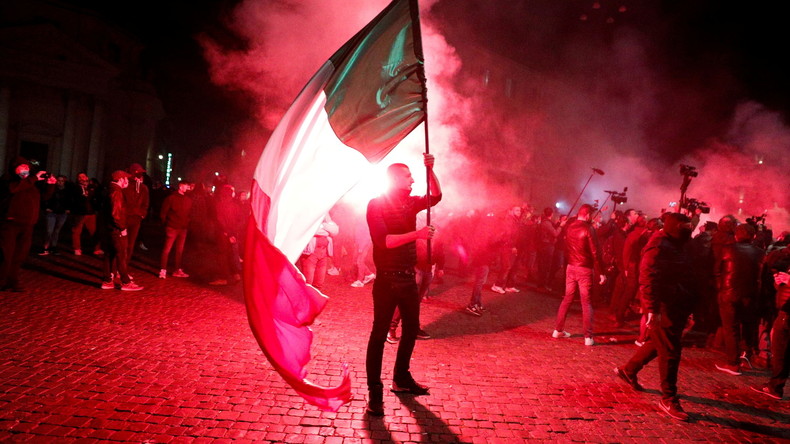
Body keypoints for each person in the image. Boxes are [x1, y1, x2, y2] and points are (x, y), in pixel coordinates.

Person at [364, 154, 441, 416]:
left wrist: (430, 170)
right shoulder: (376, 204)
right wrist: (417, 235)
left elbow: (436, 196)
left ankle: (401, 378)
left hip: (408, 278)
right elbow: (384, 241)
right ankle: (375, 391)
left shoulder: (410, 202)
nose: (413, 179)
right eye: (409, 175)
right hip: (387, 279)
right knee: (378, 335)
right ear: (396, 177)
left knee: (410, 330)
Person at [614, 213, 696, 421]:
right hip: (662, 305)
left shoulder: (676, 243)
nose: (689, 231)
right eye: (685, 227)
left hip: (676, 302)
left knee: (662, 342)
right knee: (670, 349)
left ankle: (629, 370)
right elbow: (647, 276)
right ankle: (668, 397)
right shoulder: (658, 244)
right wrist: (651, 308)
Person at [714, 223, 765, 375]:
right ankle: (746, 357)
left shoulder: (727, 249)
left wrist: (720, 289)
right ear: (753, 236)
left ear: (736, 235)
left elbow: (716, 271)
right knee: (748, 327)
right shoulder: (760, 253)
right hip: (750, 295)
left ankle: (733, 363)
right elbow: (763, 275)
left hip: (728, 294)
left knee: (731, 328)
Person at [552, 204, 604, 346]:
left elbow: (567, 247)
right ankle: (588, 336)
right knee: (586, 302)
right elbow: (595, 253)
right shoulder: (589, 229)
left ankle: (558, 330)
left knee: (567, 298)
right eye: (591, 216)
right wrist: (602, 272)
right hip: (584, 269)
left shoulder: (570, 227)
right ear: (587, 215)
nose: (592, 218)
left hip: (571, 267)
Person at [0, 157, 55, 291]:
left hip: (27, 224)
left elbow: (42, 198)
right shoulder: (8, 180)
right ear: (14, 168)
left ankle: (12, 281)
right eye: (22, 167)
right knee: (6, 255)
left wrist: (50, 185)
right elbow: (14, 189)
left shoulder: (30, 183)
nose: (26, 169)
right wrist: (33, 178)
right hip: (10, 224)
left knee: (20, 255)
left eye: (27, 167)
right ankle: (1, 281)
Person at [750, 251, 790, 399]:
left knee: (780, 352)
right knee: (781, 351)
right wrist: (779, 282)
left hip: (787, 315)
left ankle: (775, 387)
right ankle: (775, 385)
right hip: (784, 311)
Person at [99, 170, 143, 291]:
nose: (128, 181)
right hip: (116, 229)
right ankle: (125, 282)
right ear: (121, 179)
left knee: (110, 254)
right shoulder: (116, 192)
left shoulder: (109, 189)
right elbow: (116, 213)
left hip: (108, 228)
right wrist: (122, 228)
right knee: (121, 254)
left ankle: (107, 280)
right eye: (126, 179)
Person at [159, 181, 193, 279]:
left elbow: (190, 213)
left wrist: (187, 222)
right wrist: (167, 224)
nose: (188, 187)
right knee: (167, 250)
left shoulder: (188, 199)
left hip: (182, 228)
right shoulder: (171, 198)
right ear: (181, 186)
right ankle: (163, 270)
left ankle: (177, 269)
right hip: (172, 227)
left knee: (179, 250)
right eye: (186, 185)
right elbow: (163, 213)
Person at [298, 214, 339, 290]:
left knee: (319, 282)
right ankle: (308, 300)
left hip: (323, 253)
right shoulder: (307, 216)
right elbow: (311, 230)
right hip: (310, 254)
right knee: (308, 282)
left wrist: (322, 226)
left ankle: (315, 299)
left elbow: (335, 230)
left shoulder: (326, 215)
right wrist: (327, 230)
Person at [39, 175, 72, 255]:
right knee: (49, 230)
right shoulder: (53, 189)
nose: (60, 183)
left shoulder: (67, 191)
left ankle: (53, 246)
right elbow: (45, 198)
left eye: (62, 181)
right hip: (52, 212)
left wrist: (68, 209)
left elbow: (70, 200)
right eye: (59, 181)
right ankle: (45, 246)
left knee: (56, 231)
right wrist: (46, 207)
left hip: (62, 213)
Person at [70, 172, 102, 256]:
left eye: (83, 176)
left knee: (93, 231)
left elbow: (96, 197)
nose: (82, 178)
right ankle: (77, 248)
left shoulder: (91, 187)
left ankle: (96, 249)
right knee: (77, 231)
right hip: (80, 213)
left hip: (90, 212)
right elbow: (74, 199)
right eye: (80, 177)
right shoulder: (75, 188)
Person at [123, 163, 149, 263]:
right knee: (122, 244)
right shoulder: (125, 185)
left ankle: (124, 268)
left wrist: (141, 214)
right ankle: (116, 268)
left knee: (130, 244)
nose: (140, 175)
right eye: (138, 173)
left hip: (136, 219)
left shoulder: (143, 188)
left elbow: (146, 204)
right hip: (124, 218)